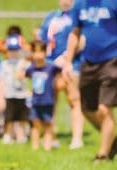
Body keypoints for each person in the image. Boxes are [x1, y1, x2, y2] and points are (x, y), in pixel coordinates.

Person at [64, 0, 117, 161]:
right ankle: (114, 142)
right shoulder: (80, 4)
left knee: (105, 109)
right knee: (86, 108)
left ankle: (103, 155)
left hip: (114, 59)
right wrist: (68, 62)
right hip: (89, 61)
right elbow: (74, 33)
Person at [40, 0, 84, 150]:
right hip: (51, 66)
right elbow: (42, 39)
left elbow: (82, 40)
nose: (66, 1)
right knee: (49, 102)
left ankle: (77, 139)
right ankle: (51, 136)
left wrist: (66, 58)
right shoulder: (52, 17)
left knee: (74, 100)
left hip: (72, 65)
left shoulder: (78, 16)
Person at [21, 40, 61, 151]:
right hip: (35, 101)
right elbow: (21, 76)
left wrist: (60, 83)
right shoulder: (31, 68)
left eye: (41, 52)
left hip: (48, 100)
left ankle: (47, 147)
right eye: (35, 52)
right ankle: (35, 147)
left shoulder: (51, 67)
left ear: (45, 52)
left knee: (48, 124)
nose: (38, 55)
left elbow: (61, 73)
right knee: (35, 124)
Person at [0, 34, 30, 144]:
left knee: (21, 117)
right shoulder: (3, 65)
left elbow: (29, 79)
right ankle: (8, 134)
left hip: (22, 95)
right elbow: (0, 82)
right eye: (10, 50)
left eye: (16, 50)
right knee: (9, 117)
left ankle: (21, 134)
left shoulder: (25, 64)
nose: (13, 53)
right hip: (9, 95)